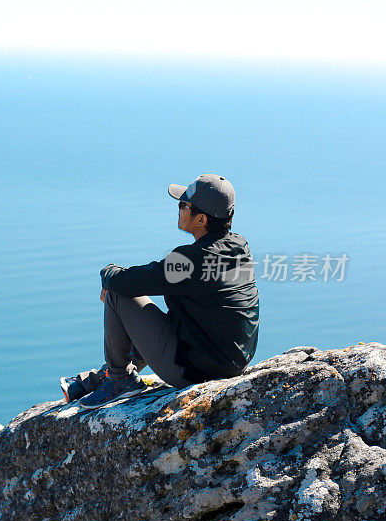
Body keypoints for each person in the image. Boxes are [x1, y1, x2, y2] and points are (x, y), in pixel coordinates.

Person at [61, 174, 260, 409]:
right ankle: (100, 378)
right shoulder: (239, 246)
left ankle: (118, 380)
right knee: (174, 311)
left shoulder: (190, 261)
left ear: (201, 219)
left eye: (184, 205)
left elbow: (128, 282)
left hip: (197, 372)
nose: (179, 208)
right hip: (231, 360)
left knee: (118, 294)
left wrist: (108, 273)